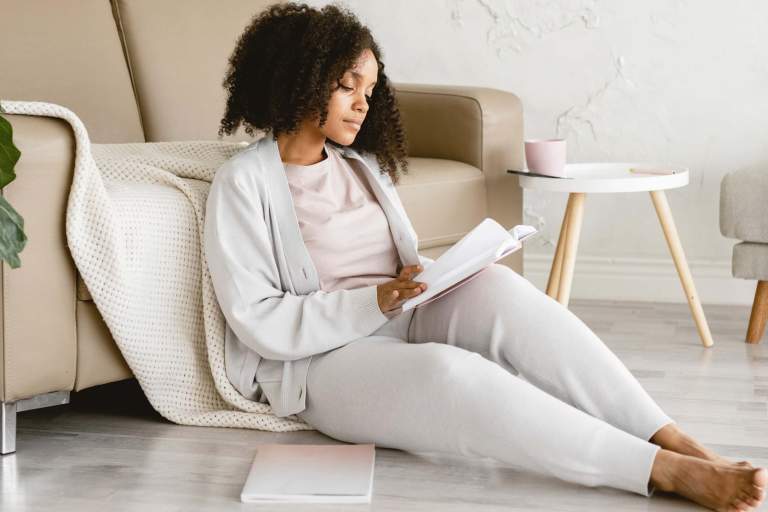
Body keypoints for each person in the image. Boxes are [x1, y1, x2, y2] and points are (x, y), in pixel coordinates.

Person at [206, 3, 767, 510]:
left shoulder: (361, 166)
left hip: (400, 312)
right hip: (322, 362)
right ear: (302, 78)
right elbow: (259, 319)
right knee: (451, 374)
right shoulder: (242, 184)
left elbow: (392, 263)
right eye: (348, 85)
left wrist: (428, 276)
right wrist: (372, 301)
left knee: (502, 289)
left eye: (370, 91)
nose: (362, 103)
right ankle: (661, 471)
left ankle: (671, 436)